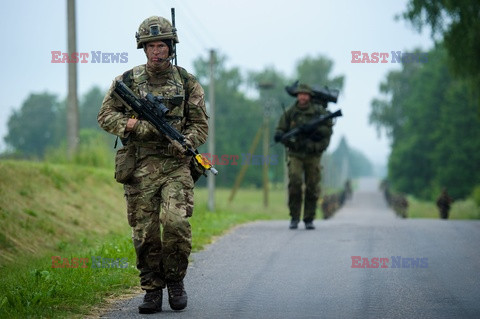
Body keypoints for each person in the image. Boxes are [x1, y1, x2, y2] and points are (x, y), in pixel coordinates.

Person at [97, 16, 208, 314]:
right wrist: (133, 124)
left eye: (161, 45)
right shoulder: (128, 81)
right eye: (151, 46)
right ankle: (151, 289)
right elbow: (105, 116)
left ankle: (175, 281)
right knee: (144, 232)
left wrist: (185, 141)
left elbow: (200, 126)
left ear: (171, 47)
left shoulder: (187, 82)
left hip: (175, 165)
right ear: (142, 49)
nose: (156, 51)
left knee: (176, 224)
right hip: (139, 166)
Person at [274, 83, 333, 230]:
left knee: (312, 186)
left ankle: (308, 218)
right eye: (300, 94)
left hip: (313, 155)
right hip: (295, 153)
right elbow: (280, 128)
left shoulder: (319, 112)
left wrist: (314, 135)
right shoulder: (290, 112)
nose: (302, 97)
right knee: (295, 181)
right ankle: (294, 217)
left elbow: (327, 132)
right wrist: (280, 135)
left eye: (305, 94)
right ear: (297, 96)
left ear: (310, 96)